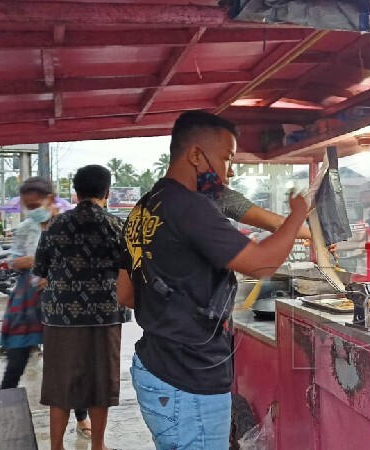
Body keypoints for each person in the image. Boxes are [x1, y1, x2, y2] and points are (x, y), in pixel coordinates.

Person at [117, 111, 307, 450]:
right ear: (195, 155)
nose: (228, 170)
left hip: (154, 369)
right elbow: (262, 265)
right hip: (188, 380)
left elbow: (126, 294)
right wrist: (297, 215)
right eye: (226, 158)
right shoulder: (190, 206)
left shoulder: (142, 209)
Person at [34, 165, 127, 450]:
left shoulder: (55, 225)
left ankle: (56, 447)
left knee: (60, 383)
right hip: (105, 314)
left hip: (60, 316)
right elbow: (129, 270)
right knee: (101, 382)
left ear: (76, 192)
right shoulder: (115, 226)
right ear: (107, 192)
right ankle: (98, 444)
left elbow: (41, 269)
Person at [0, 177, 93, 439]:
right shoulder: (26, 228)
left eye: (35, 203)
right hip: (26, 301)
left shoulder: (69, 225)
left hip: (61, 300)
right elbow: (11, 259)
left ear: (50, 200)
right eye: (27, 205)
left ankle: (82, 417)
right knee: (15, 361)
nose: (31, 209)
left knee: (68, 364)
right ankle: (1, 414)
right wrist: (23, 261)